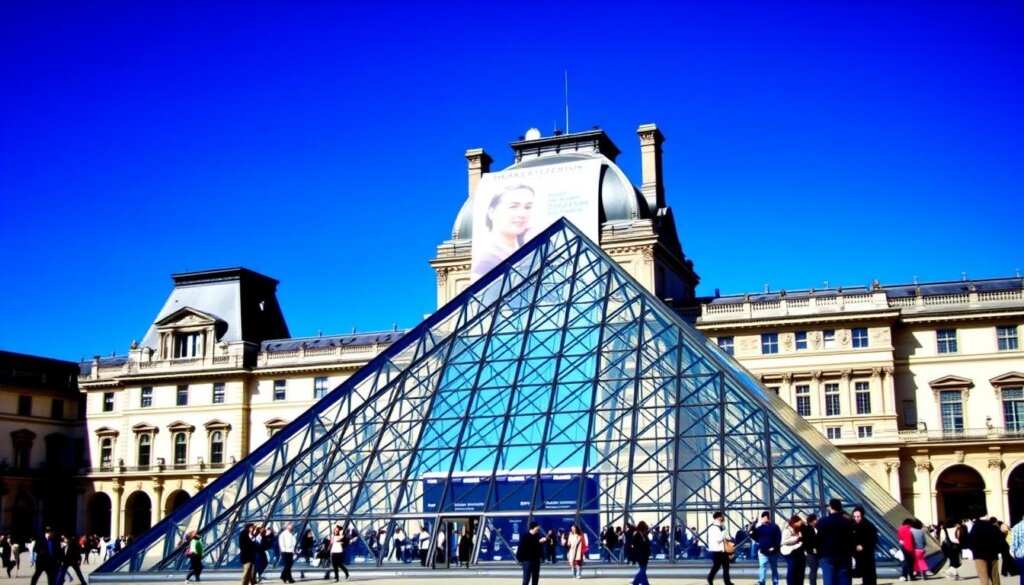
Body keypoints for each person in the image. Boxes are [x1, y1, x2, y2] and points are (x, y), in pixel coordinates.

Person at [471, 184, 536, 279]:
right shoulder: (486, 264)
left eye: (528, 207)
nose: (522, 214)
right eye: (513, 207)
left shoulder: (525, 247)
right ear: (492, 212)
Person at [816, 498, 854, 585]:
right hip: (844, 555)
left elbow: (818, 539)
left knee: (829, 580)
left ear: (830, 507)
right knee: (844, 580)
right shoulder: (848, 522)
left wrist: (819, 554)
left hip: (827, 555)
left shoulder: (823, 522)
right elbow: (851, 538)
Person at [969, 514, 1003, 585]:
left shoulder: (976, 527)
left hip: (979, 555)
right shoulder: (993, 526)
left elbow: (970, 540)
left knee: (983, 576)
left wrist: (974, 551)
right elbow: (1000, 539)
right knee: (994, 575)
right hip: (993, 554)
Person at [751, 511, 782, 585]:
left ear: (769, 518)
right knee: (762, 566)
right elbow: (753, 535)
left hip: (773, 552)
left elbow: (778, 538)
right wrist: (753, 523)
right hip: (763, 551)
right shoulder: (759, 528)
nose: (764, 519)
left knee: (774, 567)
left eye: (766, 518)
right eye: (763, 518)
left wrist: (774, 547)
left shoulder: (775, 527)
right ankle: (761, 581)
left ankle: (775, 581)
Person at [707, 511, 735, 585]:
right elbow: (718, 539)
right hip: (716, 550)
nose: (722, 518)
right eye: (721, 517)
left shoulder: (722, 527)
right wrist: (724, 532)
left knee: (726, 566)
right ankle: (710, 578)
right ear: (718, 518)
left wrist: (728, 537)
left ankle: (727, 582)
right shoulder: (713, 528)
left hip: (723, 550)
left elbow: (727, 537)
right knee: (716, 566)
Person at [852, 507, 878, 585]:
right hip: (859, 553)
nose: (856, 519)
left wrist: (863, 546)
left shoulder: (869, 526)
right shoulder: (854, 525)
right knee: (863, 572)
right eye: (855, 517)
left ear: (862, 516)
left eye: (858, 517)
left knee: (868, 573)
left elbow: (873, 539)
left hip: (867, 554)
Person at [781, 515, 805, 585]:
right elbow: (783, 541)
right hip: (790, 552)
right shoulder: (787, 530)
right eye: (799, 522)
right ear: (795, 522)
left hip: (799, 552)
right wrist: (795, 538)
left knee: (800, 570)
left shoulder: (800, 529)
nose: (800, 523)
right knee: (792, 568)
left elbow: (807, 524)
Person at [630, 521, 651, 585]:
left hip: (643, 554)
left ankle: (635, 582)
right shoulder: (638, 535)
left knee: (643, 569)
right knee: (643, 569)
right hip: (641, 554)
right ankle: (644, 583)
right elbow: (640, 544)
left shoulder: (642, 534)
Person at [802, 514, 819, 585]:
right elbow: (808, 540)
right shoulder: (808, 528)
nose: (816, 521)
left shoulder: (814, 528)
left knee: (814, 569)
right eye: (815, 520)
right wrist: (813, 548)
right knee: (813, 569)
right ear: (812, 520)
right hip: (811, 552)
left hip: (813, 552)